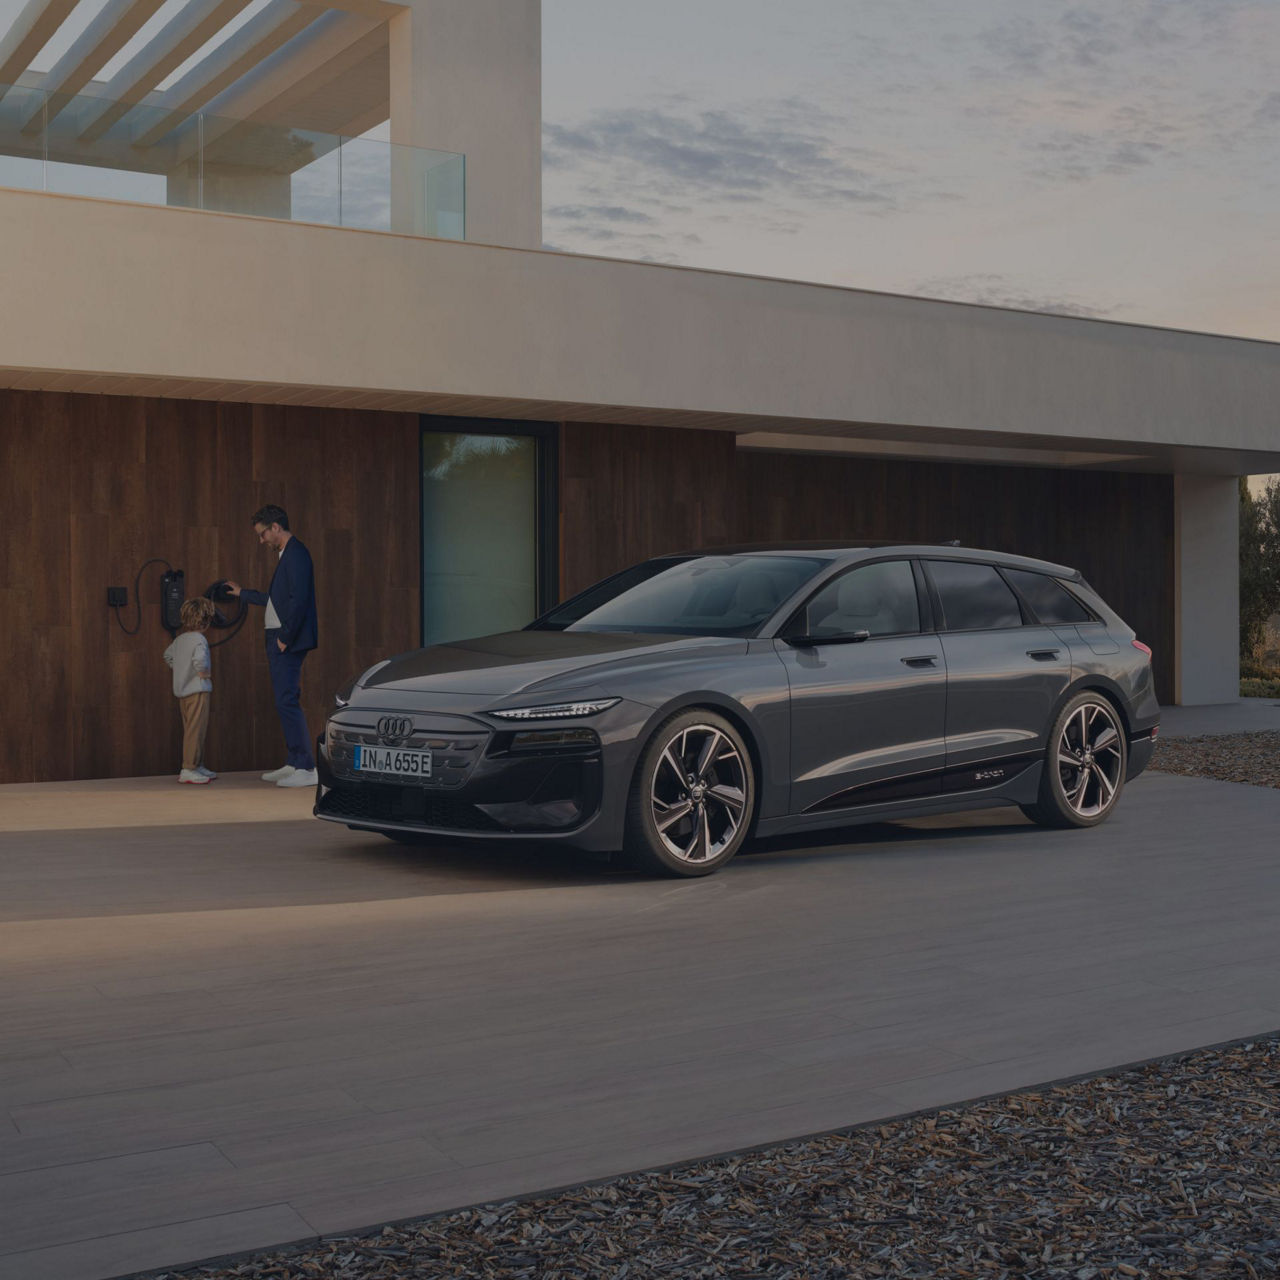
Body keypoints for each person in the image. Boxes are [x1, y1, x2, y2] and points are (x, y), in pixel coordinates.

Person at [225, 504, 319, 788]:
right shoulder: (287, 555)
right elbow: (277, 599)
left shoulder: (297, 554)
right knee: (283, 700)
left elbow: (300, 601)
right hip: (279, 637)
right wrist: (243, 594)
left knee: (287, 700)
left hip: (285, 639)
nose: (261, 540)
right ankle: (294, 762)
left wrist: (284, 638)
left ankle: (306, 767)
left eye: (263, 533)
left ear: (276, 527)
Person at [163, 597, 216, 785]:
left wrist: (180, 669)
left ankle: (197, 764)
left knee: (191, 728)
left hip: (183, 692)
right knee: (196, 729)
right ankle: (189, 768)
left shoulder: (180, 640)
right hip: (198, 691)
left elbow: (168, 656)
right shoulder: (200, 640)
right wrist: (203, 673)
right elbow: (200, 660)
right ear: (206, 620)